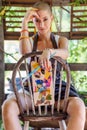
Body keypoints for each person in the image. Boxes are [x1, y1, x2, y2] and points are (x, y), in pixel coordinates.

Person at [2, 1, 86, 130]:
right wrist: (24, 22)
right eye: (36, 20)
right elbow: (25, 53)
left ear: (51, 18)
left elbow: (65, 53)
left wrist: (50, 52)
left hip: (58, 92)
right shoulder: (29, 41)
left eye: (45, 19)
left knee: (79, 106)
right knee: (8, 106)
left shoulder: (60, 40)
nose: (41, 24)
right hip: (32, 91)